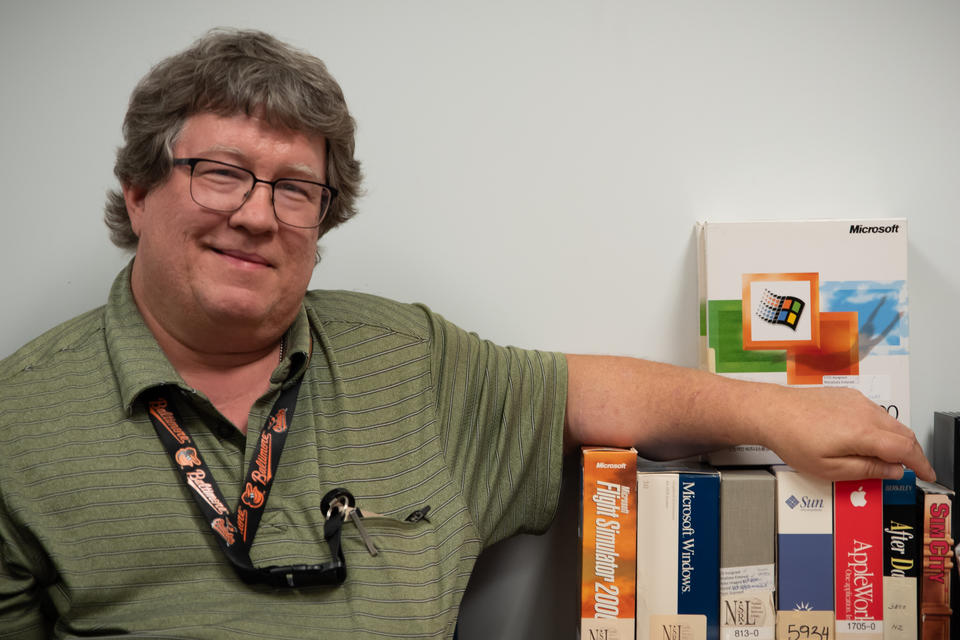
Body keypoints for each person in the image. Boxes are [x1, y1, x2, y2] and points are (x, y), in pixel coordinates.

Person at [0, 28, 932, 639]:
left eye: (294, 188)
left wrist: (778, 411)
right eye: (220, 173)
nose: (255, 214)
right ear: (137, 190)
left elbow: (590, 393)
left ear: (322, 222)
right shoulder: (17, 425)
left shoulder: (407, 359)